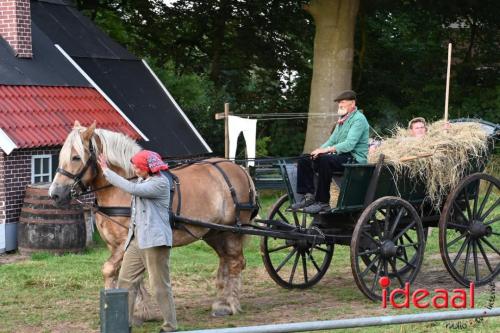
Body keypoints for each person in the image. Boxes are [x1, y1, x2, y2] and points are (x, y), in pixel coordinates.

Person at [97, 150, 177, 333]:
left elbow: (131, 189)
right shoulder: (143, 180)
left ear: (148, 168)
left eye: (137, 166)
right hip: (136, 239)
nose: (133, 169)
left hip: (155, 242)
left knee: (159, 286)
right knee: (125, 282)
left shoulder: (160, 184)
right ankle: (122, 324)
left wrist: (106, 171)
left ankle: (170, 326)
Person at [293, 90, 369, 213]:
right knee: (305, 159)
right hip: (341, 156)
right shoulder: (343, 119)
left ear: (352, 103)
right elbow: (332, 140)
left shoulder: (359, 119)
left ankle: (323, 203)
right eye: (339, 103)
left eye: (343, 102)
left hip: (354, 158)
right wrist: (317, 150)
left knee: (324, 160)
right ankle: (309, 196)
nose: (340, 105)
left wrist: (326, 151)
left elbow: (349, 144)